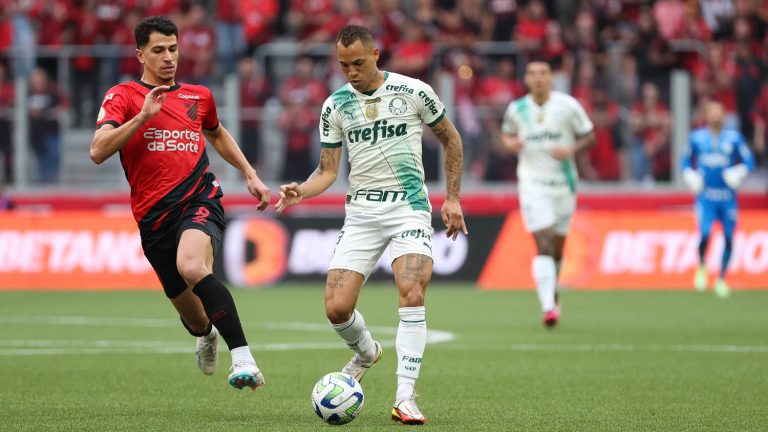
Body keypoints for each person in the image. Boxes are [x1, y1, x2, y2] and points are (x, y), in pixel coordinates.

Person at [275, 25, 467, 425]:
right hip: (361, 214)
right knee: (336, 308)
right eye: (344, 65)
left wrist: (451, 197)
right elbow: (328, 171)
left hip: (409, 209)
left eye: (358, 63)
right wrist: (302, 192)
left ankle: (405, 397)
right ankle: (366, 351)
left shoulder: (414, 91)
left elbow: (452, 140)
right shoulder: (334, 106)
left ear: (376, 54)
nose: (351, 71)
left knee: (412, 292)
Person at [89, 16, 270, 391]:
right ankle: (207, 335)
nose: (169, 57)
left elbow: (216, 134)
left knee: (191, 265)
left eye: (173, 48)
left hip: (198, 198)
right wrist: (142, 117)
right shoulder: (122, 96)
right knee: (194, 320)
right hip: (153, 218)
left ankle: (244, 359)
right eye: (158, 50)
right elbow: (97, 151)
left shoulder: (198, 95)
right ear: (140, 54)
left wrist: (250, 173)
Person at [500, 60, 596, 328]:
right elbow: (505, 135)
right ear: (527, 79)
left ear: (551, 78)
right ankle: (548, 307)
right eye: (533, 73)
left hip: (564, 184)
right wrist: (511, 143)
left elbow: (590, 136)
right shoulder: (517, 109)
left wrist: (572, 149)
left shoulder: (568, 106)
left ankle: (551, 292)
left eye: (543, 73)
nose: (538, 78)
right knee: (542, 241)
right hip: (533, 185)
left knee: (557, 247)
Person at [681, 101, 755, 298]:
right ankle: (702, 267)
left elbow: (749, 161)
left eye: (719, 112)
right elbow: (685, 161)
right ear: (706, 114)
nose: (716, 116)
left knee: (729, 237)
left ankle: (722, 278)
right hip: (706, 197)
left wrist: (738, 172)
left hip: (727, 197)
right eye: (712, 112)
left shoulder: (734, 138)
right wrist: (691, 175)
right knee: (705, 234)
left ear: (724, 115)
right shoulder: (697, 138)